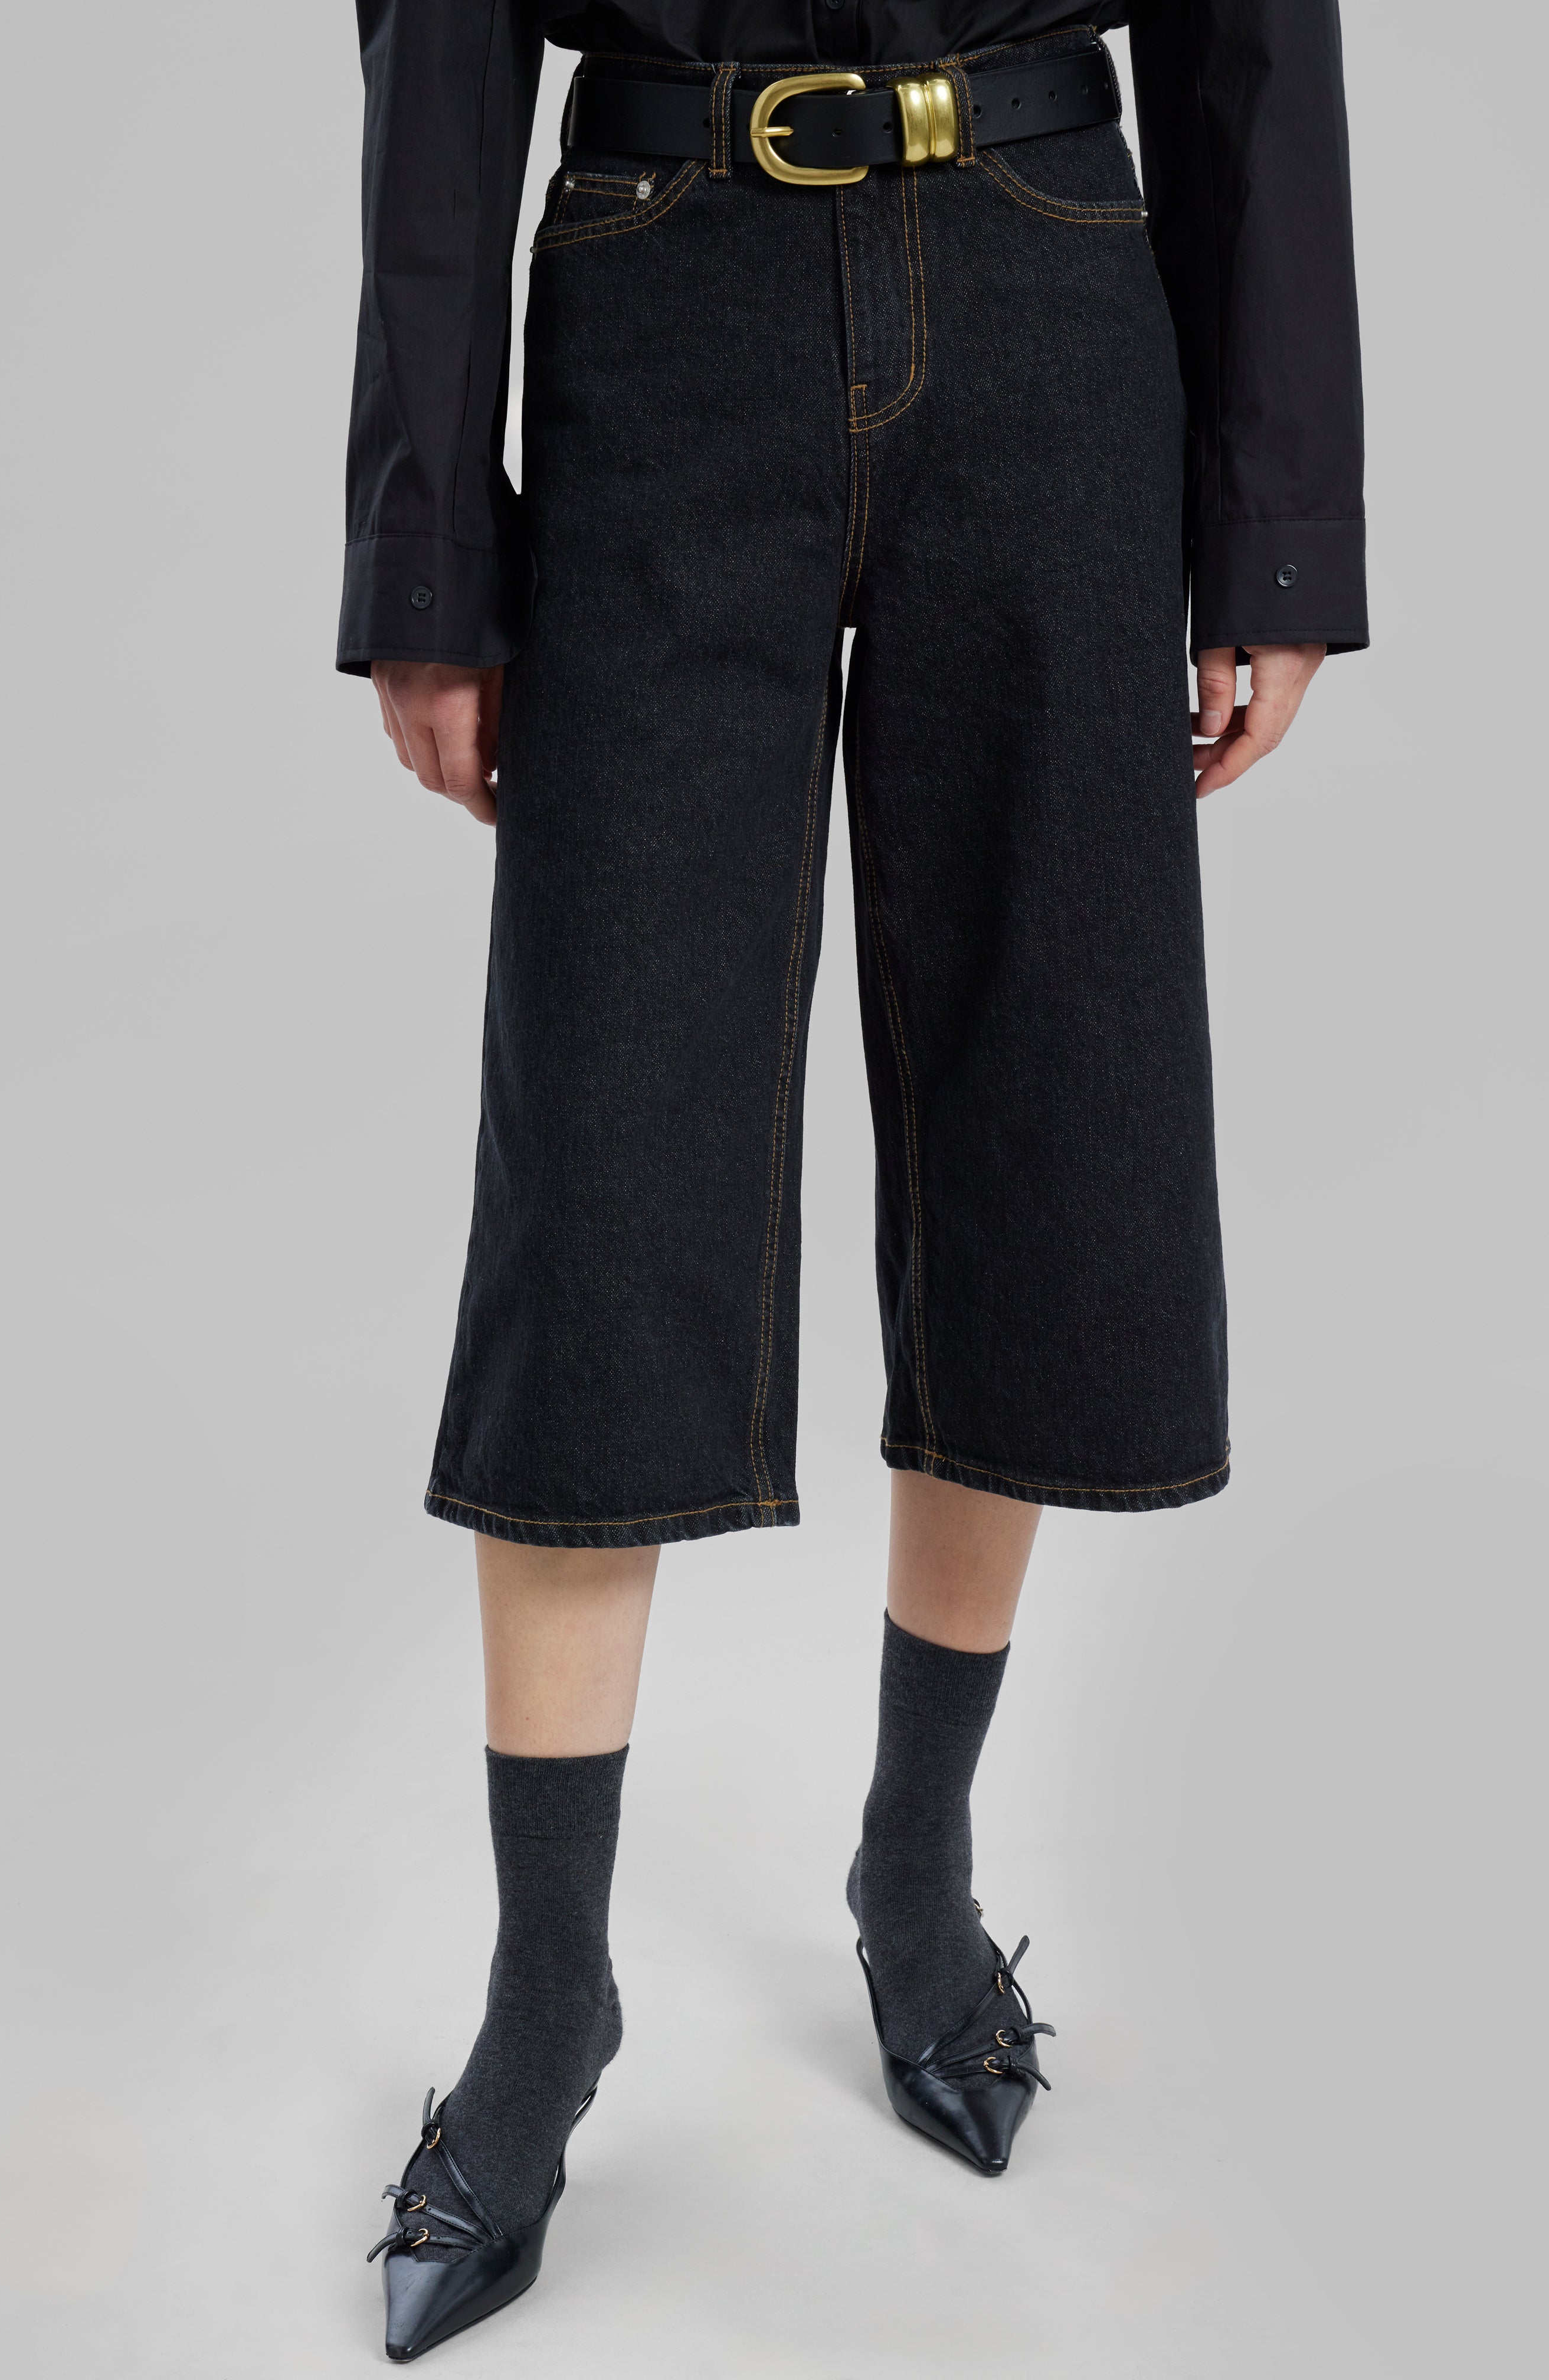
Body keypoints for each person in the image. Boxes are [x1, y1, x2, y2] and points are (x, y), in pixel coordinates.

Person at [340, 0, 1365, 2361]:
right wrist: (428, 548)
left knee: (1039, 1124)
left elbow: (1258, 25)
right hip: (661, 283)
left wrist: (1277, 518)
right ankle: (545, 1999)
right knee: (603, 1174)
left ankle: (917, 1865)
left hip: (1050, 283)